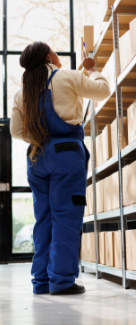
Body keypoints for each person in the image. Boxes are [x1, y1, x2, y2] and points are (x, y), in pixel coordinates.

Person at [10, 42, 110, 295]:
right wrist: (92, 69)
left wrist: (40, 138)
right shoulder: (67, 76)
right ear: (49, 56)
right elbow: (102, 91)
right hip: (66, 156)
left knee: (43, 220)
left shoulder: (23, 92)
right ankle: (62, 281)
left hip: (36, 157)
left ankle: (41, 282)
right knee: (65, 217)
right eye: (54, 51)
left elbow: (15, 131)